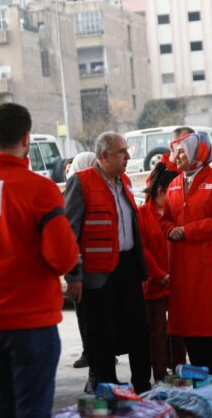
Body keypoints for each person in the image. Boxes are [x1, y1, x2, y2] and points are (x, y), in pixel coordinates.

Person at [0, 104, 78, 416]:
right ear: (27, 138)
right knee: (32, 409)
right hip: (31, 322)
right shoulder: (41, 189)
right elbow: (63, 257)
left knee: (2, 410)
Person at [64, 132, 152, 394]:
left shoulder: (123, 181)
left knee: (138, 330)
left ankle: (142, 386)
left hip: (127, 267)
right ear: (104, 156)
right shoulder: (81, 182)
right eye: (121, 152)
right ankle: (108, 389)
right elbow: (70, 232)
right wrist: (74, 274)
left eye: (126, 151)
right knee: (100, 335)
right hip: (97, 272)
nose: (127, 156)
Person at [161, 132, 212, 375]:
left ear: (198, 153)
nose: (177, 155)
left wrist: (186, 231)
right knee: (192, 330)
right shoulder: (173, 185)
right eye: (176, 151)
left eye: (183, 151)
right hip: (184, 269)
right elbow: (165, 221)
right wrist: (171, 230)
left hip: (211, 269)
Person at [137, 162, 183, 383]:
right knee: (156, 335)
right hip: (154, 285)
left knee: (180, 333)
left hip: (178, 282)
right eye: (171, 192)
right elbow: (142, 248)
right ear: (160, 191)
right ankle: (160, 376)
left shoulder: (178, 213)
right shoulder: (142, 214)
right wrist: (159, 274)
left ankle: (181, 372)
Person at [64, 151, 98, 371]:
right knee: (84, 312)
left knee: (93, 314)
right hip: (81, 265)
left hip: (97, 266)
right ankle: (91, 353)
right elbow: (71, 230)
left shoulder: (99, 186)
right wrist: (74, 271)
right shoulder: (77, 187)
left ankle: (99, 354)